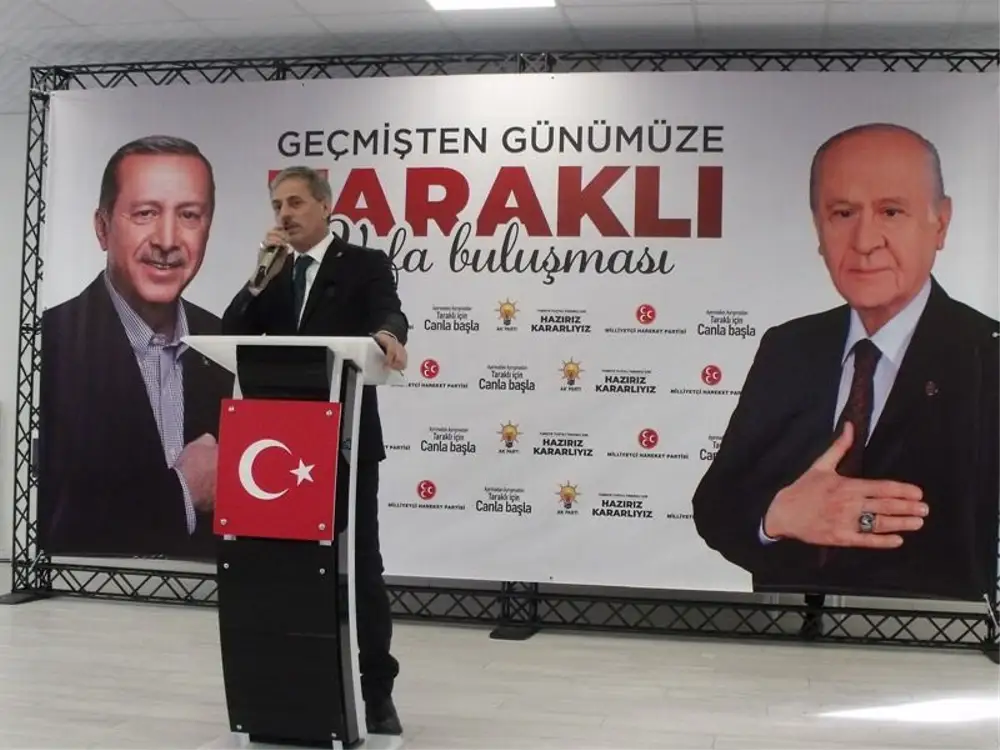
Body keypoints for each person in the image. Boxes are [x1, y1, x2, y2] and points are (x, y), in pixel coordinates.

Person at [692, 122, 1000, 610]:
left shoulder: (988, 355)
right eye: (842, 213)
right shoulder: (788, 348)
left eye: (891, 211)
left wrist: (856, 521)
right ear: (818, 229)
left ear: (940, 223)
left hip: (936, 638)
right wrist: (778, 514)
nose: (864, 241)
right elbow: (715, 506)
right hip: (783, 634)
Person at [221, 166, 409, 736]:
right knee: (283, 570)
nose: (285, 214)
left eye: (296, 202)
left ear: (326, 206)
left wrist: (388, 336)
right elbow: (231, 331)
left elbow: (389, 312)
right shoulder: (273, 270)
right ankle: (290, 690)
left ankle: (376, 693)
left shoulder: (364, 263)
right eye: (278, 204)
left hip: (347, 441)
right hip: (280, 446)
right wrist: (259, 277)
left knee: (360, 567)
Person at [38, 135, 233, 560]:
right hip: (86, 596)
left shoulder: (230, 345)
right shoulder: (45, 345)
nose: (167, 239)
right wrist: (184, 493)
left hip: (210, 596)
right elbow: (53, 518)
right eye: (146, 213)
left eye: (189, 215)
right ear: (102, 228)